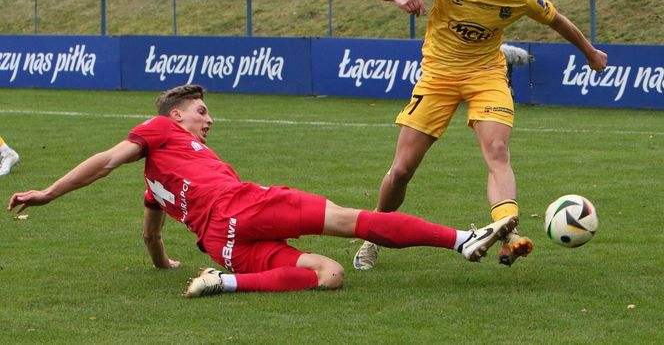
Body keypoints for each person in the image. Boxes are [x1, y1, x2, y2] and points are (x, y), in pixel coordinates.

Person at [7, 85, 516, 297]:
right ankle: (460, 239)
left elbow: (151, 236)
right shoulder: (161, 130)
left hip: (222, 245)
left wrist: (163, 264)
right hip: (241, 206)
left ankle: (219, 284)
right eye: (200, 111)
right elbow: (106, 160)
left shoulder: (160, 183)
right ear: (175, 115)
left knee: (329, 275)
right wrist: (49, 192)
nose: (208, 118)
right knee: (348, 219)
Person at [352, 0, 607, 271]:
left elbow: (557, 21)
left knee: (498, 151)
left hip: (486, 75)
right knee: (401, 170)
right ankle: (373, 234)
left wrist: (589, 53)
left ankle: (507, 228)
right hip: (438, 77)